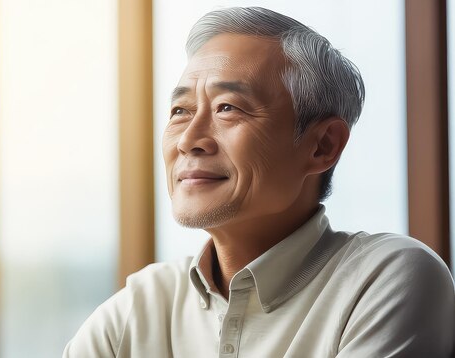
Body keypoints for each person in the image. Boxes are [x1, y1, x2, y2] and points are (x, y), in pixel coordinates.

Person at [63, 6, 455, 357]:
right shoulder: (142, 304)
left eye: (227, 108)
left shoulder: (384, 278)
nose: (188, 140)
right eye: (180, 110)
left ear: (322, 145)